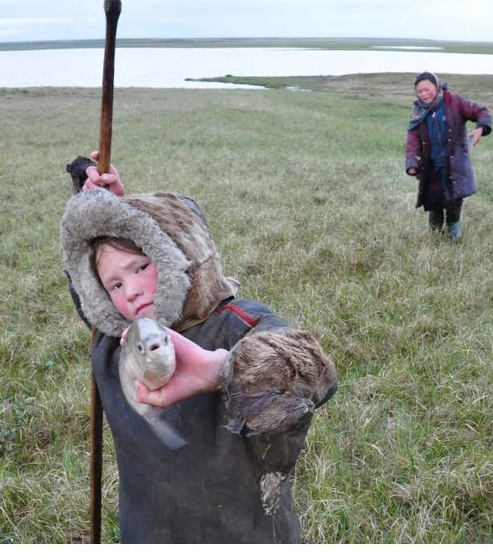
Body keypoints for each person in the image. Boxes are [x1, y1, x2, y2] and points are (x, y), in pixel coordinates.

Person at [60, 154, 338, 543]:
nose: (133, 291)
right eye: (115, 285)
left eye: (141, 267)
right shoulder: (114, 340)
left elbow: (314, 374)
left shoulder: (238, 325)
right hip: (148, 531)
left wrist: (223, 370)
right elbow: (83, 286)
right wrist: (93, 204)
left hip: (243, 535)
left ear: (179, 255)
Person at [405, 71, 493, 242]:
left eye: (427, 89)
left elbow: (481, 112)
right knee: (433, 201)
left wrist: (480, 129)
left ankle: (453, 225)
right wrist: (412, 164)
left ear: (436, 87)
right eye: (419, 91)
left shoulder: (454, 102)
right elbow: (412, 140)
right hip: (432, 167)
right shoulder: (418, 112)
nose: (423, 94)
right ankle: (435, 232)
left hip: (455, 165)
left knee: (454, 199)